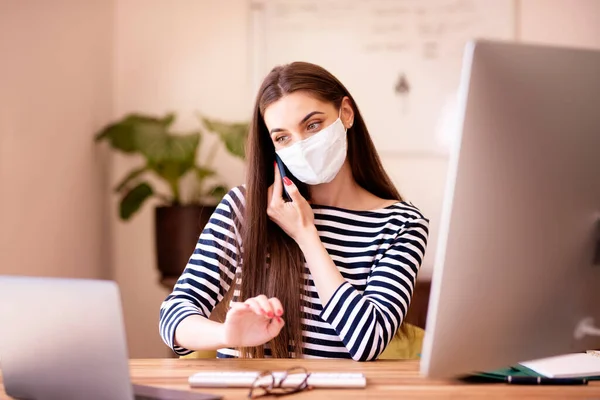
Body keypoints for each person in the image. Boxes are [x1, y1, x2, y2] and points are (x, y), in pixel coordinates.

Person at [159, 62, 429, 361]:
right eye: (282, 137)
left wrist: (306, 234)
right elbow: (173, 314)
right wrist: (228, 334)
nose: (301, 145)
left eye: (312, 125)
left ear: (346, 114)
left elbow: (367, 341)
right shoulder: (245, 208)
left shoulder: (401, 224)